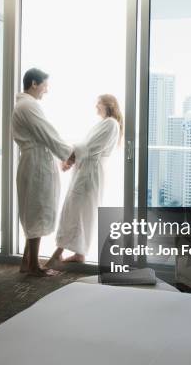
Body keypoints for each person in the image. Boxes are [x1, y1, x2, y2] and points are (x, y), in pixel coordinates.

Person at [12, 68, 75, 276]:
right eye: (45, 85)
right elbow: (47, 133)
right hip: (36, 164)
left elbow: (45, 134)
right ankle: (33, 267)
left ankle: (27, 262)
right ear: (33, 84)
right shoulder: (28, 105)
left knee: (33, 212)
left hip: (33, 161)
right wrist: (68, 154)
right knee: (37, 212)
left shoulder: (23, 105)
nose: (46, 90)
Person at [48, 94, 123, 265]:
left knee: (78, 211)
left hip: (90, 174)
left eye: (98, 103)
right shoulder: (105, 124)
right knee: (74, 210)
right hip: (86, 171)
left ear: (108, 104)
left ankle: (66, 252)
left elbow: (89, 148)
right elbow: (86, 147)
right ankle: (74, 252)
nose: (96, 106)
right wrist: (71, 158)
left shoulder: (111, 124)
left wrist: (69, 157)